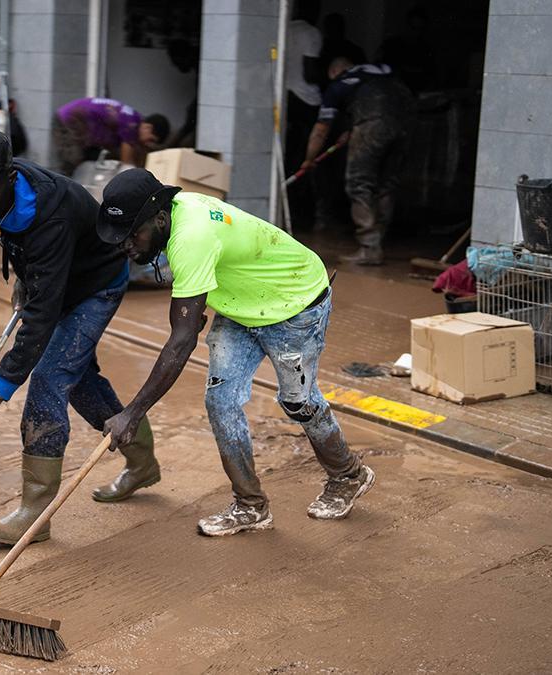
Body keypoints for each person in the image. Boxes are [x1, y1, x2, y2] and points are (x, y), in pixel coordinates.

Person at [97, 169, 375, 536]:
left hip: (295, 301)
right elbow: (186, 320)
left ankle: (348, 475)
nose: (127, 247)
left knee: (298, 402)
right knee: (221, 400)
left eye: (133, 235)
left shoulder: (191, 238)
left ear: (160, 219)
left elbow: (181, 342)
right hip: (241, 305)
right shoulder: (174, 213)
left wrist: (132, 413)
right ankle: (250, 505)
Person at [0, 129, 160, 545]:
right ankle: (142, 462)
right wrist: (26, 281)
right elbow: (27, 254)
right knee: (79, 380)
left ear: (7, 179)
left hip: (96, 285)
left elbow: (42, 318)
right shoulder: (1, 193)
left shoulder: (51, 214)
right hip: (62, 277)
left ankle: (35, 512)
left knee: (47, 380)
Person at [301, 56, 415, 265]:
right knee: (387, 184)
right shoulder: (381, 69)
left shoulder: (338, 84)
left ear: (334, 72)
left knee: (359, 183)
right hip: (406, 124)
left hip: (372, 124)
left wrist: (309, 159)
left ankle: (370, 248)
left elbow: (321, 129)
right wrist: (355, 127)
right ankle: (377, 240)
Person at [282, 0, 323, 231]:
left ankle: (294, 212)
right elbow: (310, 73)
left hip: (288, 98)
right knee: (311, 161)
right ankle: (315, 217)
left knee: (291, 159)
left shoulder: (285, 28)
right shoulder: (311, 32)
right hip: (307, 99)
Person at [52, 97, 169, 174]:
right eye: (150, 140)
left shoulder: (131, 120)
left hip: (80, 128)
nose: (147, 144)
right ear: (148, 127)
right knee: (70, 165)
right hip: (68, 122)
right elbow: (126, 164)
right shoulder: (131, 123)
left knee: (89, 161)